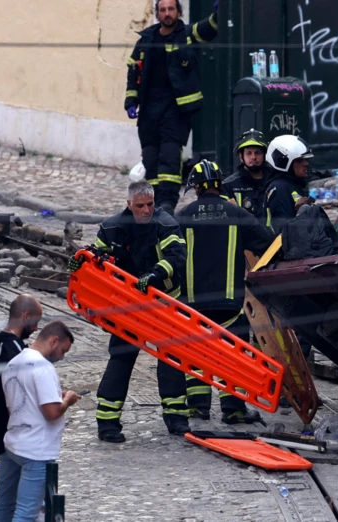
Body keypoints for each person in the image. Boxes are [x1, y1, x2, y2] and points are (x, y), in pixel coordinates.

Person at [70, 181, 189, 442]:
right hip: (127, 306)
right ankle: (107, 423)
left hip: (164, 303)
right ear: (128, 204)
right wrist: (81, 260)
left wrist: (155, 274)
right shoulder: (113, 227)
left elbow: (177, 256)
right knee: (121, 358)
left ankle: (177, 418)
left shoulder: (166, 223)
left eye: (150, 205)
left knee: (171, 358)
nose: (146, 210)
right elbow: (96, 255)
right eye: (140, 206)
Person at [175, 160, 275, 424]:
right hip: (230, 303)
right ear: (220, 185)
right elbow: (266, 241)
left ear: (196, 188)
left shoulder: (183, 216)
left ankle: (198, 407)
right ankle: (233, 409)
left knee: (195, 354)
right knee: (234, 355)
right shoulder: (237, 213)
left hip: (193, 303)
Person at [124, 0, 219, 215]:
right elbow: (133, 72)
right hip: (149, 111)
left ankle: (167, 203)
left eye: (171, 9)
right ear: (157, 13)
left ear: (179, 11)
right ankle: (153, 203)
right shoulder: (146, 39)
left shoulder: (186, 34)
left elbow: (208, 29)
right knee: (150, 160)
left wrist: (218, 15)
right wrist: (131, 101)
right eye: (163, 10)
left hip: (175, 111)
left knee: (169, 159)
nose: (167, 14)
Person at [0, 321, 78, 522]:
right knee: (26, 512)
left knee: (4, 504)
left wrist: (55, 394)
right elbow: (52, 412)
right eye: (63, 350)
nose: (62, 357)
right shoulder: (43, 367)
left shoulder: (14, 362)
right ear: (54, 340)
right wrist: (68, 399)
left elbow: (18, 402)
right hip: (36, 449)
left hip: (14, 443)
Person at [0, 295, 42, 458]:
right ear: (26, 316)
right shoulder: (15, 351)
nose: (35, 328)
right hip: (10, 430)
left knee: (8, 478)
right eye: (35, 321)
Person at [263, 135, 314, 232]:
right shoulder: (279, 188)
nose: (306, 163)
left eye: (305, 160)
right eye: (299, 160)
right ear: (283, 162)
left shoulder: (292, 185)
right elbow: (284, 231)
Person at [223, 129, 271, 220]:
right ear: (241, 156)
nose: (253, 157)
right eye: (249, 153)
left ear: (265, 155)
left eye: (258, 153)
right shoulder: (229, 185)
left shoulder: (274, 181)